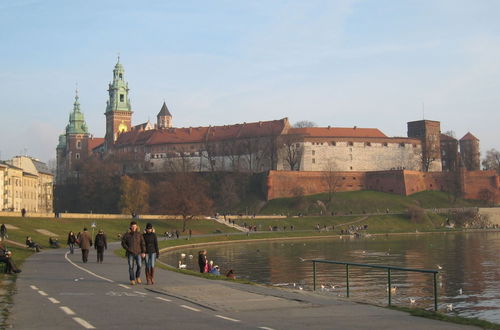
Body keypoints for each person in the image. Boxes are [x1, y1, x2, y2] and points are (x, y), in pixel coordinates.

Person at [121, 221, 146, 285]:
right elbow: (123, 243)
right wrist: (127, 248)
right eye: (133, 226)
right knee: (131, 267)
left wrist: (143, 252)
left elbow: (142, 243)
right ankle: (132, 279)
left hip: (138, 252)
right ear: (130, 227)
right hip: (130, 253)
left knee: (139, 266)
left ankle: (137, 277)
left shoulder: (139, 234)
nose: (134, 228)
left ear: (136, 227)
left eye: (135, 226)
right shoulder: (127, 234)